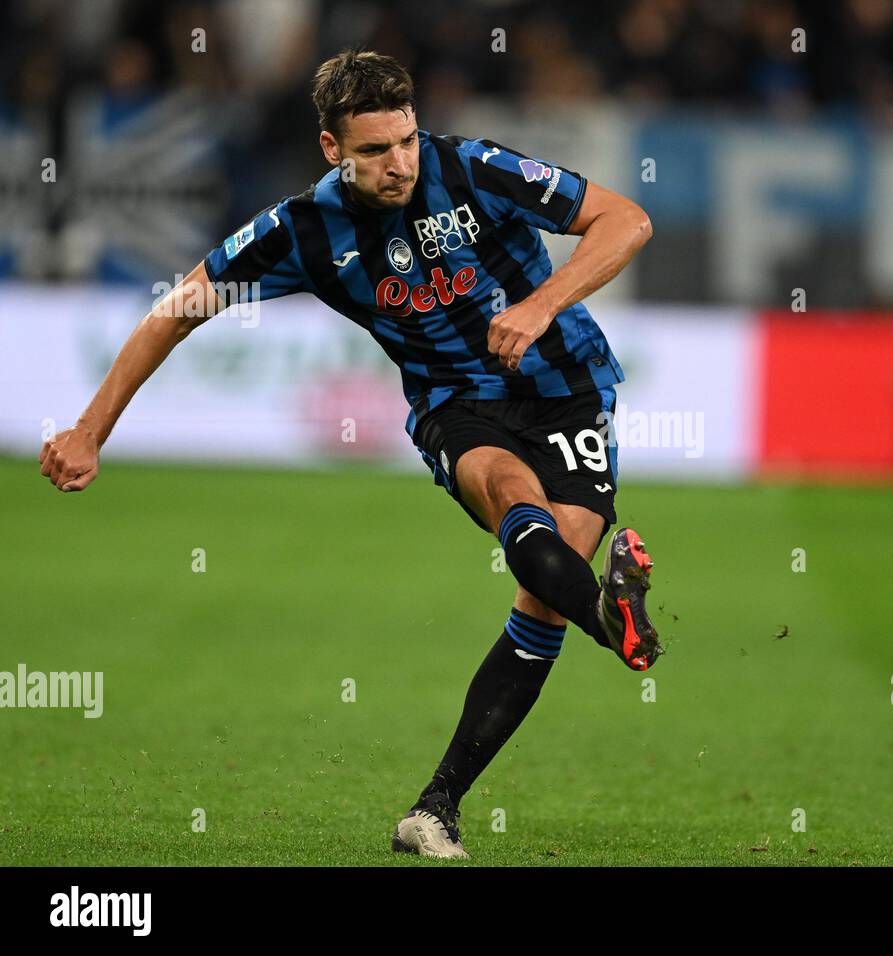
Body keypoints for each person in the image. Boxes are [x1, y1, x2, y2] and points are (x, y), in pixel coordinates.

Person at [37, 49, 662, 861]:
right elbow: (178, 308)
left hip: (568, 387)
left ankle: (434, 808)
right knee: (516, 507)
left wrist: (542, 305)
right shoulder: (303, 228)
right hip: (456, 407)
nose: (399, 163)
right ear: (333, 149)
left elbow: (627, 220)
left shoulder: (471, 167)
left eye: (404, 141)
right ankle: (617, 624)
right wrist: (91, 428)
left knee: (548, 593)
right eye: (374, 151)